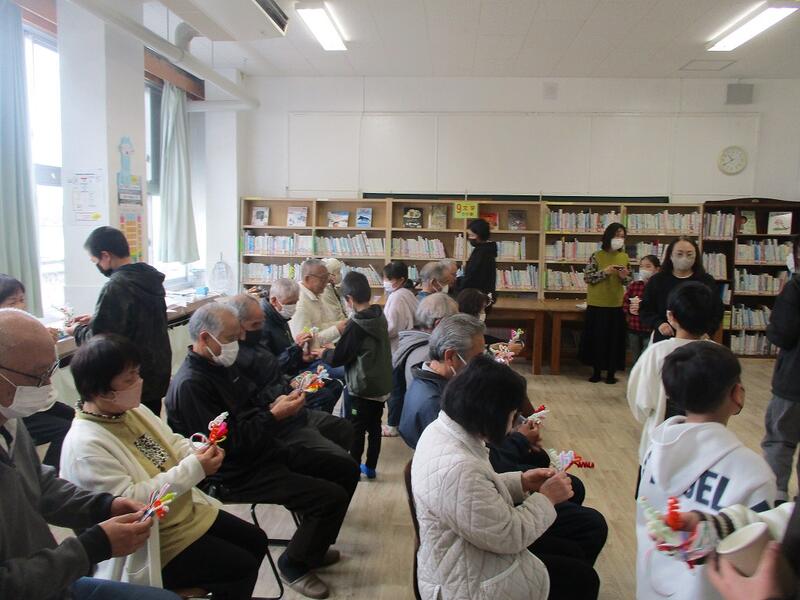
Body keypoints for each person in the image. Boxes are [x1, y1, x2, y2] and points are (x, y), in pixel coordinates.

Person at [165, 303, 358, 599]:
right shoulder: (192, 385)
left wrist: (277, 404)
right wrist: (273, 416)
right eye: (232, 337)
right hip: (232, 472)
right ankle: (294, 564)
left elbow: (249, 405)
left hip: (261, 448)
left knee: (345, 468)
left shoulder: (222, 365)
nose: (240, 341)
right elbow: (226, 445)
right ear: (205, 338)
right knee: (329, 497)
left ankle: (312, 547)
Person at [60, 334, 268, 598]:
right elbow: (132, 503)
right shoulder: (85, 445)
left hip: (184, 512)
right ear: (100, 391)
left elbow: (170, 442)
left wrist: (198, 450)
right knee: (240, 566)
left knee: (257, 541)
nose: (139, 382)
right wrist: (195, 468)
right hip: (152, 539)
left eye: (137, 373)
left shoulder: (131, 410)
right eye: (129, 379)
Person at [0, 308, 179, 600]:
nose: (48, 386)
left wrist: (105, 505)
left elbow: (40, 484)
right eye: (38, 376)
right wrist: (91, 547)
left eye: (50, 372)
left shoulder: (10, 420)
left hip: (52, 578)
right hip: (34, 582)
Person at [412, 355, 599, 600]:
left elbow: (470, 497)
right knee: (583, 578)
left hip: (468, 551)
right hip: (465, 582)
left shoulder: (442, 430)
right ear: (492, 414)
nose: (513, 425)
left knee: (577, 546)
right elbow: (509, 535)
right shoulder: (459, 467)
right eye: (512, 415)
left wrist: (521, 482)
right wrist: (547, 498)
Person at [636, 341, 777, 600]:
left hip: (652, 582)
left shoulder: (656, 448)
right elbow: (761, 559)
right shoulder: (753, 472)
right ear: (737, 394)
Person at [65, 226, 171, 416]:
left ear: (105, 256)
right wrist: (96, 319)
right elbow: (138, 318)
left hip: (129, 377)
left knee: (132, 427)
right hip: (156, 372)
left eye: (95, 261)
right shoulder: (147, 278)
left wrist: (76, 331)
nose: (97, 265)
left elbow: (100, 341)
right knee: (150, 424)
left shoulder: (117, 285)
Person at [228, 295, 351, 449]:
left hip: (284, 395)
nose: (261, 327)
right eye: (255, 324)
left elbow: (273, 370)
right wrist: (284, 395)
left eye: (262, 322)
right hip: (274, 417)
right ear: (238, 327)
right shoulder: (235, 356)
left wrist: (300, 359)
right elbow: (256, 396)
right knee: (331, 391)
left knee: (342, 423)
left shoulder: (268, 330)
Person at [628, 282, 723, 473]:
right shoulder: (720, 355)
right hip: (707, 450)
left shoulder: (657, 352)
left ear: (670, 316)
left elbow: (641, 402)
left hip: (660, 448)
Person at [321, 272, 392, 479]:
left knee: (356, 430)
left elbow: (339, 357)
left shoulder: (356, 324)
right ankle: (370, 467)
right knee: (375, 428)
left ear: (349, 299)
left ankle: (353, 469)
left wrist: (323, 352)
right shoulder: (378, 315)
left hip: (362, 387)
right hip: (380, 385)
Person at [0, 274, 74, 471]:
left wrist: (47, 343)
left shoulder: (30, 328)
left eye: (22, 299)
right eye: (12, 302)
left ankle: (49, 475)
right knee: (65, 430)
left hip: (43, 404)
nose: (20, 306)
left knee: (79, 420)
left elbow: (46, 370)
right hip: (22, 407)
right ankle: (52, 471)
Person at [399, 313, 486, 449]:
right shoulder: (436, 405)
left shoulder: (427, 376)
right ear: (450, 356)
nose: (481, 365)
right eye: (477, 359)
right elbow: (461, 451)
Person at [383, 293, 458, 437]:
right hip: (428, 429)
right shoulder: (427, 354)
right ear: (439, 323)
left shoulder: (411, 338)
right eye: (454, 321)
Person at [762, 235, 800, 504]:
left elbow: (782, 334)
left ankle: (776, 499)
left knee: (780, 441)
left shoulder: (795, 287)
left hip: (793, 381)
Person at [640, 236, 718, 343]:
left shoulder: (706, 281)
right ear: (670, 255)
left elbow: (716, 310)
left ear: (696, 256)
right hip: (664, 339)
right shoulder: (657, 280)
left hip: (698, 340)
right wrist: (658, 323)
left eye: (689, 254)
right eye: (679, 254)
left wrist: (708, 331)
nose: (684, 258)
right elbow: (645, 309)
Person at [579, 222, 630, 384]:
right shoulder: (596, 255)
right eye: (617, 235)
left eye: (622, 236)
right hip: (597, 304)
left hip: (616, 305)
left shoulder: (624, 257)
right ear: (608, 236)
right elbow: (588, 278)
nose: (619, 239)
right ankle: (596, 371)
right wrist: (605, 272)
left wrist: (624, 277)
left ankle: (611, 373)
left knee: (613, 341)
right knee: (597, 339)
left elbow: (628, 281)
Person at [259, 278, 314, 375]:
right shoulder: (261, 324)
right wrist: (295, 347)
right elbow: (268, 368)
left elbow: (286, 354)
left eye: (295, 302)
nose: (293, 307)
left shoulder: (280, 317)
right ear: (274, 300)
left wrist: (303, 359)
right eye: (289, 303)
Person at [289, 259, 348, 347]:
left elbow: (319, 326)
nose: (327, 282)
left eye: (327, 277)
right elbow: (305, 344)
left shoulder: (316, 294)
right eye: (322, 278)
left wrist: (342, 324)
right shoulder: (299, 303)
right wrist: (337, 330)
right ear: (307, 279)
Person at [622, 254, 660, 364]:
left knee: (646, 357)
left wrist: (643, 307)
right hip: (634, 327)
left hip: (650, 329)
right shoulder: (634, 285)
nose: (644, 270)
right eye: (641, 266)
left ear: (657, 269)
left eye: (648, 266)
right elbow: (625, 302)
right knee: (635, 357)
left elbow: (660, 306)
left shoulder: (658, 287)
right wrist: (629, 309)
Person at [457, 218, 497, 300]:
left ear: (480, 235)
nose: (470, 238)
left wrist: (457, 284)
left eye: (472, 235)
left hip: (476, 297)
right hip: (483, 295)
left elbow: (472, 277)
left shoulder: (481, 253)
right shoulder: (487, 250)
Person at [382, 261, 418, 352]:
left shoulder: (396, 297)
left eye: (389, 279)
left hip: (397, 345)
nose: (385, 282)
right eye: (384, 278)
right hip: (408, 341)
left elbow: (391, 328)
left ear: (401, 280)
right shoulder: (408, 293)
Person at [320, 258, 347, 322]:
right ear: (329, 275)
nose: (340, 274)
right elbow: (335, 315)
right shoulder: (325, 291)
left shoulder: (331, 287)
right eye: (338, 272)